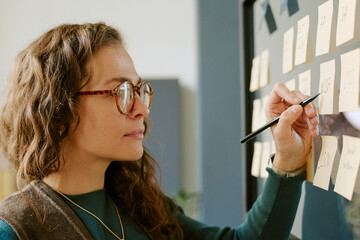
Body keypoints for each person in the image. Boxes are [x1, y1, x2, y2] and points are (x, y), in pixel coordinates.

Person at [0, 22, 319, 240]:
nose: (142, 108)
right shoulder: (15, 228)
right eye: (121, 92)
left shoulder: (139, 203)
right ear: (57, 110)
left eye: (140, 91)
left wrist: (288, 159)